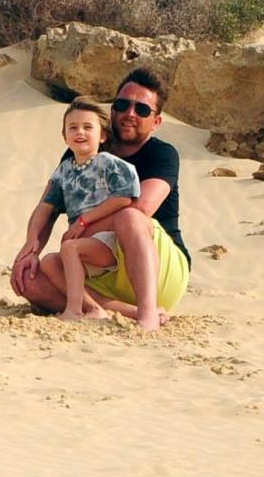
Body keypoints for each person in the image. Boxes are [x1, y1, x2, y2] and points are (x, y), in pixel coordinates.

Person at [11, 66, 192, 329]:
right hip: (98, 261)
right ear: (112, 109)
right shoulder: (80, 153)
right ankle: (122, 310)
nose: (130, 114)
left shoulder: (162, 155)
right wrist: (30, 250)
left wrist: (82, 225)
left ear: (156, 122)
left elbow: (141, 209)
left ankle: (148, 312)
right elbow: (48, 206)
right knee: (30, 278)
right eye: (122, 105)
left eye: (142, 110)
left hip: (159, 269)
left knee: (130, 216)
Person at [34, 100, 143, 323]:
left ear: (102, 136)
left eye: (88, 127)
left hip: (109, 240)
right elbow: (46, 205)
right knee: (49, 263)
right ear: (64, 136)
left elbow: (125, 196)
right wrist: (30, 244)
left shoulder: (109, 163)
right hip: (85, 245)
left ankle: (74, 311)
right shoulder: (64, 170)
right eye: (72, 127)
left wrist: (84, 220)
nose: (80, 132)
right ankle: (95, 308)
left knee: (70, 248)